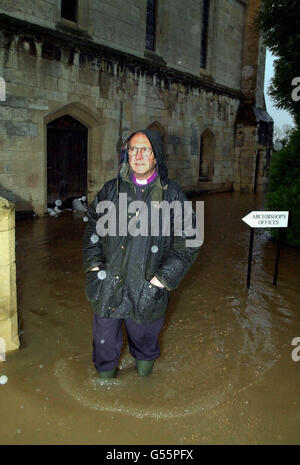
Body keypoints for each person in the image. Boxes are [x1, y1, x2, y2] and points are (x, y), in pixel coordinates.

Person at [82, 129, 201, 379]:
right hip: (108, 286)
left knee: (145, 346)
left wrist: (161, 281)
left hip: (147, 289)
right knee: (104, 346)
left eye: (145, 149)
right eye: (133, 149)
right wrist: (94, 266)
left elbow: (190, 240)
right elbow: (92, 227)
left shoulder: (173, 195)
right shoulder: (109, 191)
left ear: (156, 156)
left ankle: (145, 387)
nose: (138, 154)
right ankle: (105, 391)